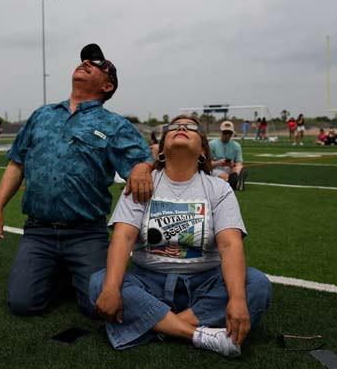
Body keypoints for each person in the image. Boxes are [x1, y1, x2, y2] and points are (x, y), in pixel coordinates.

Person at [0, 43, 154, 317]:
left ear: (107, 86)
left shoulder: (115, 124)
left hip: (85, 233)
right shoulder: (42, 115)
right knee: (23, 305)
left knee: (97, 309)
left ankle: (70, 272)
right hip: (38, 232)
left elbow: (144, 162)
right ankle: (62, 273)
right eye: (85, 60)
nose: (86, 62)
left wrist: (143, 166)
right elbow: (17, 162)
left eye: (97, 65)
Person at [89, 115, 271, 357]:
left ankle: (158, 324)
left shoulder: (219, 188)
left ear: (204, 150)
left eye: (191, 128)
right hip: (149, 281)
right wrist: (111, 288)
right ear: (162, 148)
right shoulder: (142, 182)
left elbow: (229, 245)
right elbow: (123, 238)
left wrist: (237, 299)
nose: (182, 128)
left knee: (256, 285)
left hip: (204, 281)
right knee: (100, 282)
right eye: (173, 127)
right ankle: (198, 334)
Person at [210, 121, 247, 191]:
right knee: (221, 174)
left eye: (229, 133)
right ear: (221, 132)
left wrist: (233, 164)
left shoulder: (237, 146)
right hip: (216, 169)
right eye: (225, 132)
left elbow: (239, 162)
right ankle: (234, 182)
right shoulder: (211, 144)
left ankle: (235, 181)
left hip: (230, 169)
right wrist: (219, 162)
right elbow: (207, 164)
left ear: (232, 133)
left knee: (240, 167)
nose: (227, 135)